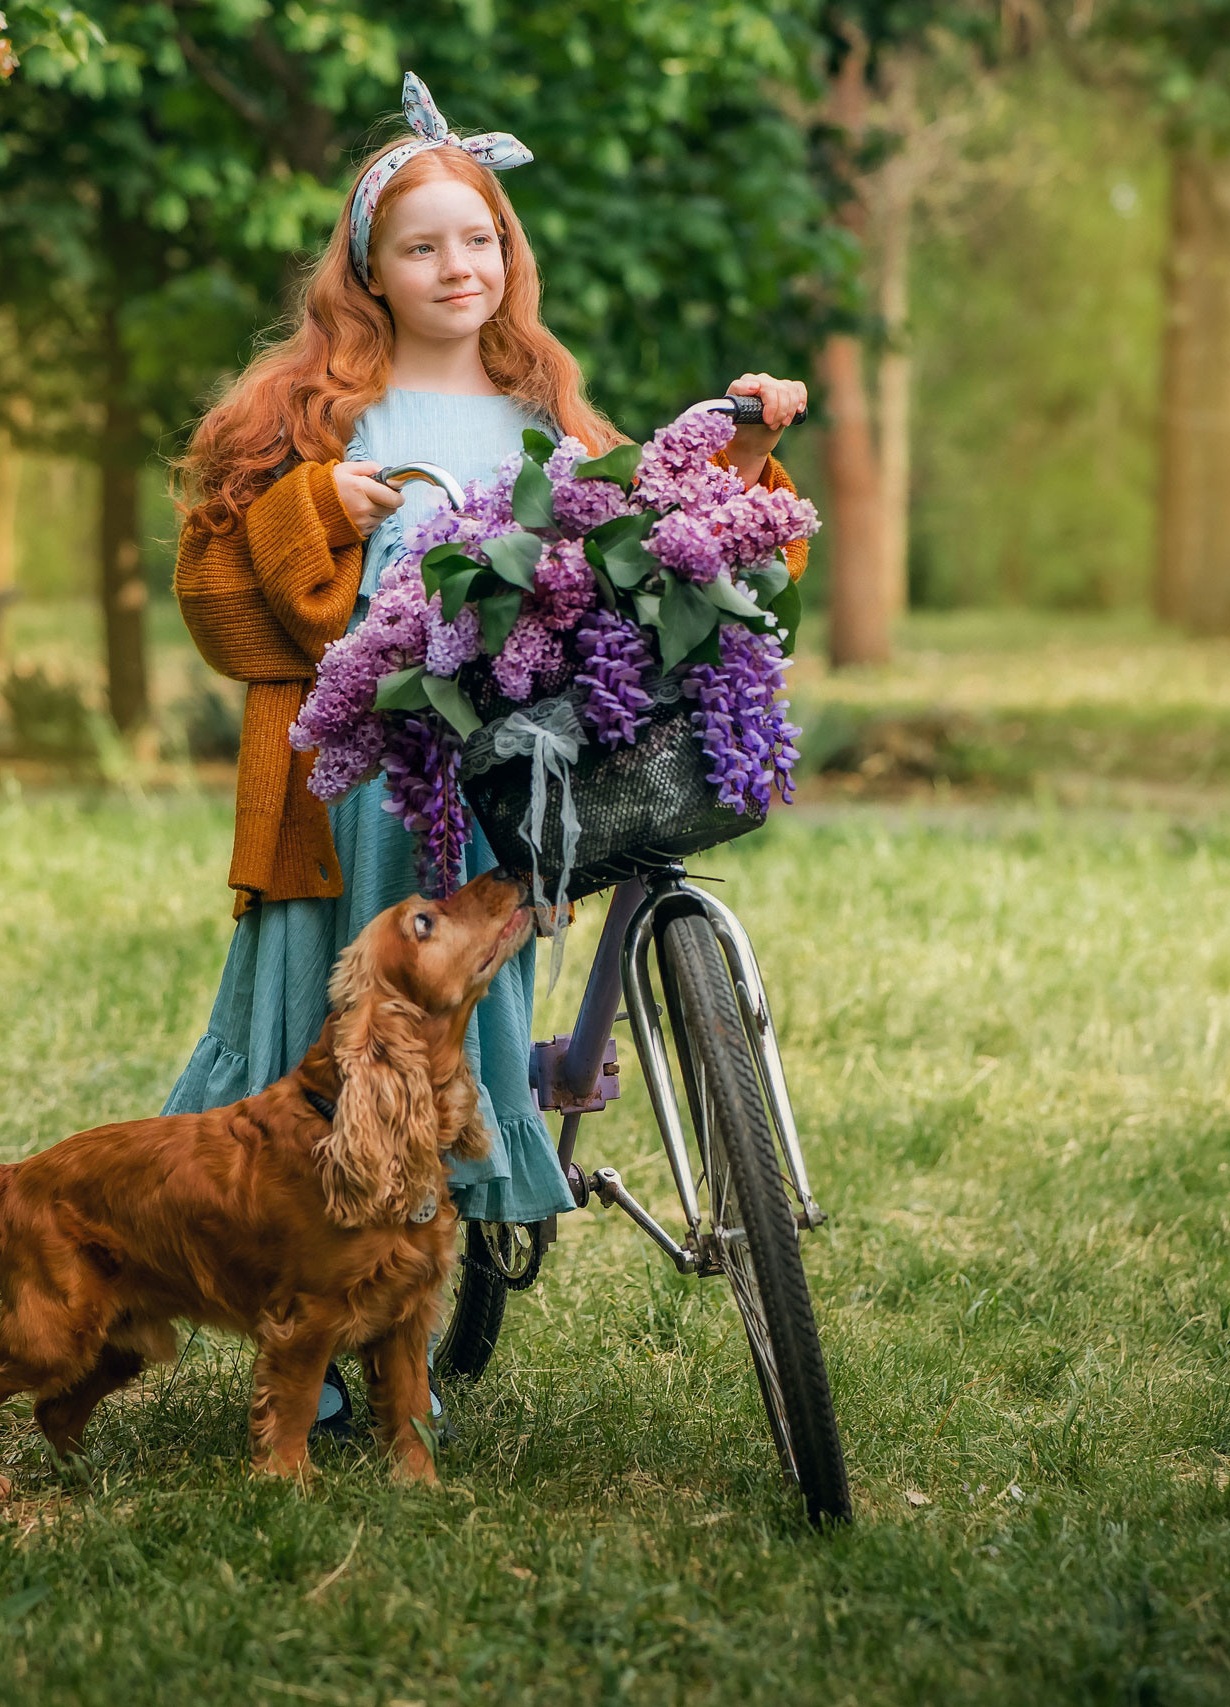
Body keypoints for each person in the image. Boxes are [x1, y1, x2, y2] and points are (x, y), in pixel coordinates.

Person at [167, 72, 809, 1434]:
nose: (458, 266)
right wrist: (310, 510)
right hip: (346, 798)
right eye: (422, 246)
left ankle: (400, 1318)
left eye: (480, 239)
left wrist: (745, 454)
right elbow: (220, 608)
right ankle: (313, 1344)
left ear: (507, 254)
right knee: (327, 1045)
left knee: (457, 1036)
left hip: (485, 789)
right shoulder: (310, 416)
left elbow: (652, 534)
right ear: (369, 274)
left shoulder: (544, 405)